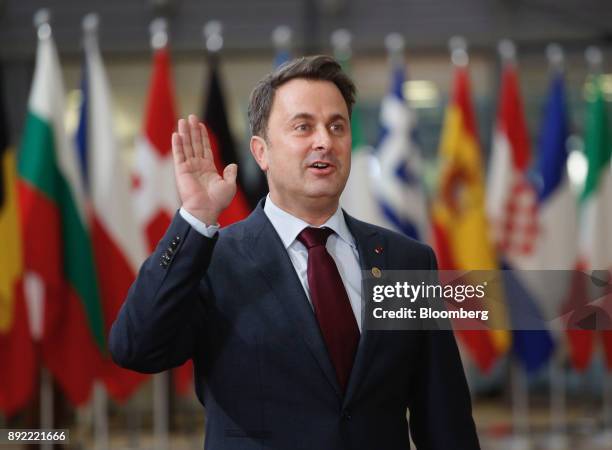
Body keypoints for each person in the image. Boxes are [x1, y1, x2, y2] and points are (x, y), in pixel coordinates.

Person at [109, 55, 480, 450]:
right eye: (303, 126)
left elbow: (444, 416)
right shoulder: (213, 260)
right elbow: (135, 347)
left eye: (337, 126)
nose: (324, 140)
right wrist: (195, 219)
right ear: (261, 152)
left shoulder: (406, 262)